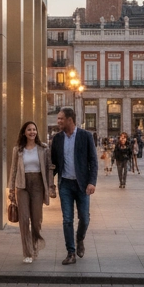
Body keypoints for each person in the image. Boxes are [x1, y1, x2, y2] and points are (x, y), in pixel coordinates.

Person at [50, 107, 98, 265]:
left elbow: (93, 161)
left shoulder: (85, 136)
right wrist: (50, 184)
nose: (58, 122)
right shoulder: (57, 139)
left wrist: (92, 182)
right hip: (65, 184)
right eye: (58, 119)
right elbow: (54, 164)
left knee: (84, 217)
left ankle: (80, 239)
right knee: (67, 219)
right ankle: (71, 252)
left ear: (70, 120)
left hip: (82, 185)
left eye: (61, 119)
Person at [8, 121, 54, 263]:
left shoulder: (43, 149)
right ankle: (27, 252)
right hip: (22, 185)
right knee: (24, 219)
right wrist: (11, 189)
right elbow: (14, 169)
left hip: (38, 185)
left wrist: (51, 186)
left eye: (34, 129)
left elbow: (48, 168)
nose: (32, 132)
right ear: (24, 132)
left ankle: (34, 247)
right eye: (29, 130)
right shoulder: (18, 149)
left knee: (36, 219)